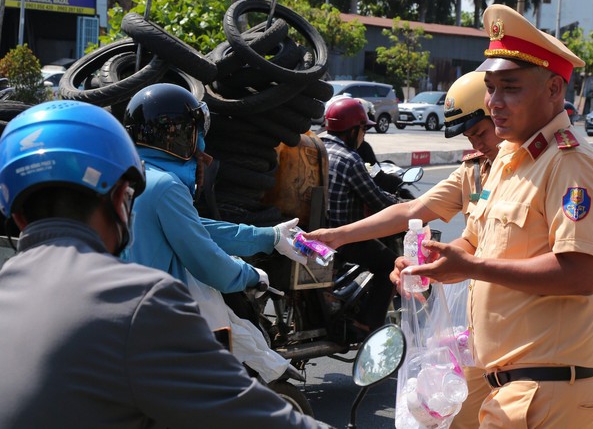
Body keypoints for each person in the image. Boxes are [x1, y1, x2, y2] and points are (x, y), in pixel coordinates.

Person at [0, 101, 329, 428]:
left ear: (15, 212)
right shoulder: (142, 302)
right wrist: (249, 271)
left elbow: (196, 227)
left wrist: (267, 236)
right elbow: (248, 414)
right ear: (120, 198)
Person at [395, 4, 593, 428]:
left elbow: (581, 274)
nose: (494, 103)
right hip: (497, 379)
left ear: (554, 90)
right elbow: (474, 243)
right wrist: (433, 265)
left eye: (509, 88)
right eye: (490, 87)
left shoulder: (569, 164)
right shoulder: (511, 159)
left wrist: (472, 266)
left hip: (545, 390)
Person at [305, 70, 502, 429]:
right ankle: (368, 321)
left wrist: (461, 263)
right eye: (471, 136)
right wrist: (340, 236)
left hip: (513, 338)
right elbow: (411, 210)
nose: (477, 143)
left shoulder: (533, 169)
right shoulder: (475, 170)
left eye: (481, 132)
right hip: (477, 331)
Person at [122, 83, 305, 295]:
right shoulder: (166, 186)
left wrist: (268, 236)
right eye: (196, 133)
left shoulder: (126, 174)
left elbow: (192, 228)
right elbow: (206, 261)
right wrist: (249, 276)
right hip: (144, 310)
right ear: (182, 137)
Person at [320, 97, 400, 333]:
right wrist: (403, 206)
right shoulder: (349, 158)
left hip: (310, 231)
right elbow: (377, 200)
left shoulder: (316, 146)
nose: (364, 135)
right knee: (388, 265)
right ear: (354, 130)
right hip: (342, 238)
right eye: (364, 129)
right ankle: (368, 323)